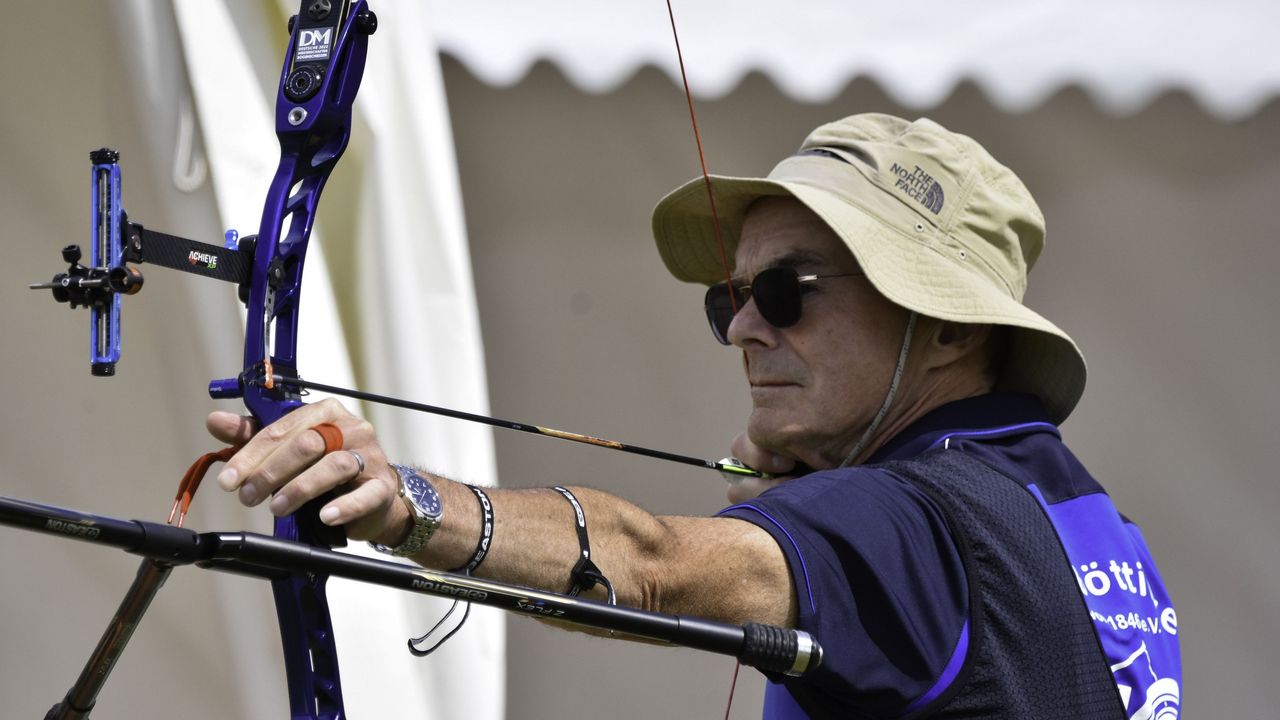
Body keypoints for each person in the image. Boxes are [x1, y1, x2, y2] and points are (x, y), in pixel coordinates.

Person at [210, 114, 1181, 718]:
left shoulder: (901, 523)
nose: (742, 330)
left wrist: (400, 504)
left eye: (789, 291)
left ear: (941, 330)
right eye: (731, 299)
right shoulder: (1085, 520)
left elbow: (653, 564)